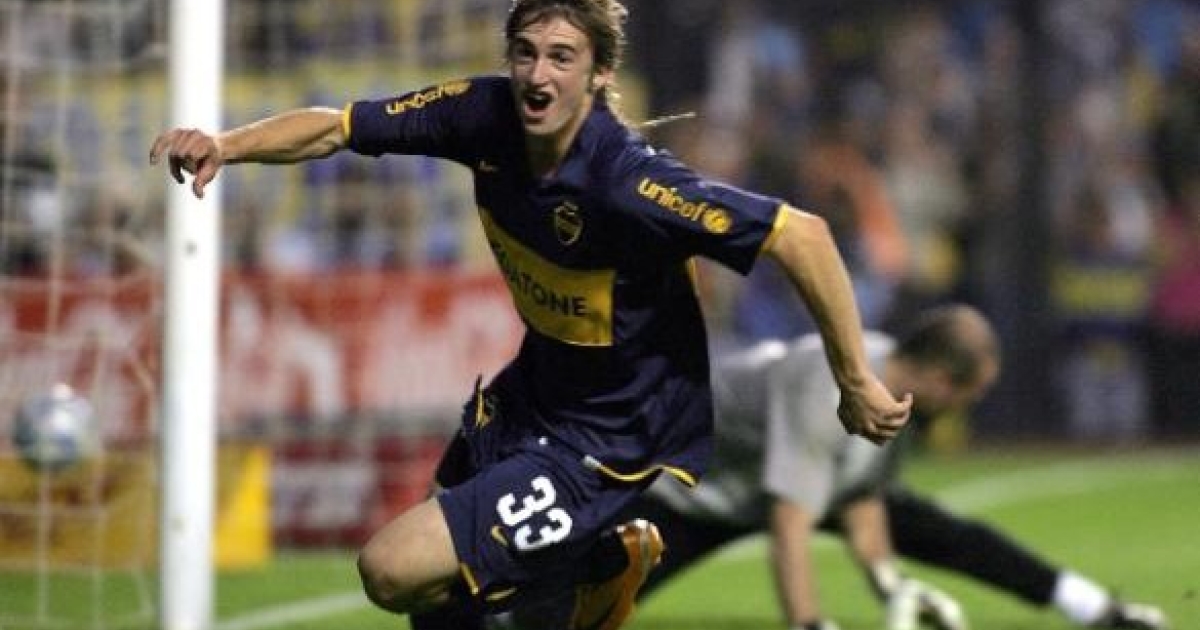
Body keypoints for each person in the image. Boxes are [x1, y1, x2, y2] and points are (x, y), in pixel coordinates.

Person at [148, 2, 912, 630]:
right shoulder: (481, 114)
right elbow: (338, 126)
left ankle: (598, 566)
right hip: (531, 394)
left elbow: (801, 235)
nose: (538, 75)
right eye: (525, 52)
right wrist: (226, 145)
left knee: (390, 569)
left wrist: (853, 380)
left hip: (611, 433)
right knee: (437, 602)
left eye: (561, 57)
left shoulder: (627, 181)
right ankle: (587, 574)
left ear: (599, 74)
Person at [624, 305, 1168, 630]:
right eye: (970, 394)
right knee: (592, 601)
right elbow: (789, 525)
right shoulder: (830, 388)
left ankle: (1095, 608)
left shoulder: (890, 383)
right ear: (940, 380)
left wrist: (892, 588)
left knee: (948, 534)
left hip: (776, 483)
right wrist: (811, 624)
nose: (967, 408)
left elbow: (860, 498)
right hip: (689, 496)